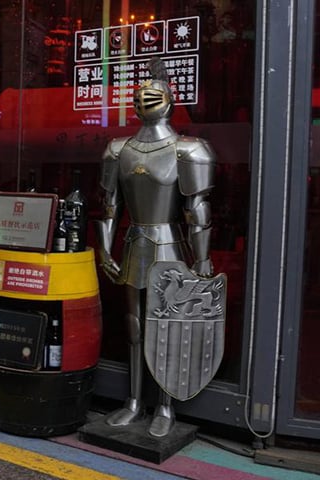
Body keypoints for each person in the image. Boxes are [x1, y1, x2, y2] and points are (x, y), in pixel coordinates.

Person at [96, 58, 219, 437]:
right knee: (133, 327)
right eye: (141, 95)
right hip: (135, 243)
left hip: (170, 244)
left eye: (154, 94)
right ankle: (133, 401)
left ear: (170, 99)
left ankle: (165, 406)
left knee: (167, 327)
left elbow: (196, 209)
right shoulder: (118, 149)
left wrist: (202, 258)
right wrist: (105, 249)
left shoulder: (189, 149)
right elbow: (110, 207)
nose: (146, 100)